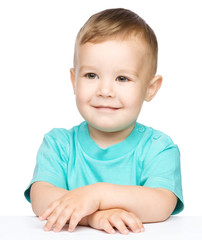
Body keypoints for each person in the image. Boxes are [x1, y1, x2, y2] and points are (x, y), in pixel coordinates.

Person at [24, 8, 184, 235]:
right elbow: (41, 198)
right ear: (74, 80)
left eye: (122, 78)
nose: (105, 90)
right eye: (91, 75)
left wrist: (96, 195)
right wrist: (94, 217)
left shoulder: (158, 148)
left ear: (150, 88)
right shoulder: (59, 144)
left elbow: (162, 203)